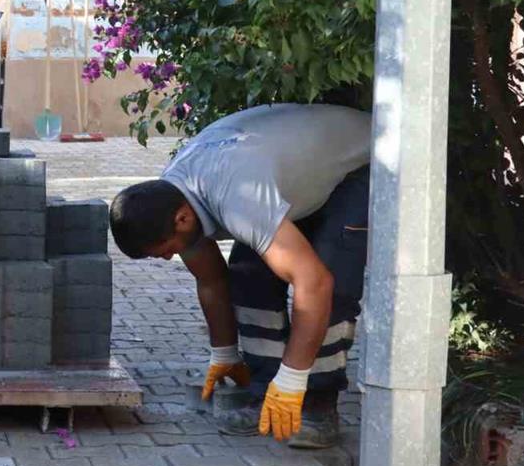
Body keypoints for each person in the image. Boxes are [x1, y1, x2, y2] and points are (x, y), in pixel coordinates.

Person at [109, 104, 371, 448]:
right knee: (249, 278)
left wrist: (292, 378)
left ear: (183, 220)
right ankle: (265, 388)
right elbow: (211, 279)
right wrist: (225, 355)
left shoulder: (236, 198)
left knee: (329, 281)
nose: (170, 256)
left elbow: (314, 282)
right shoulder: (171, 196)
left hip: (362, 165)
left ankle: (317, 402)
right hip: (297, 176)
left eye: (166, 249)